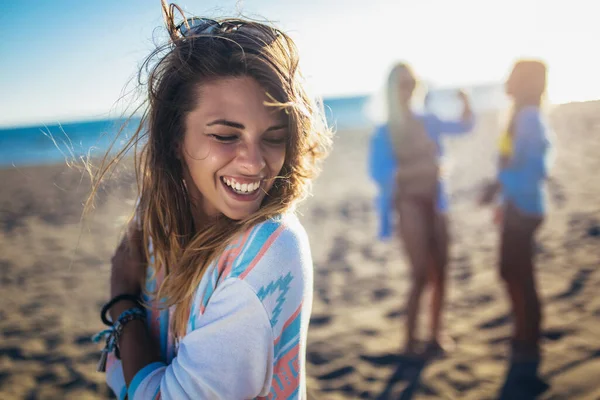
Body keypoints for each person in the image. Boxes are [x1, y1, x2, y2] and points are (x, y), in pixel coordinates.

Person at [89, 2, 332, 398]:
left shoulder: (269, 250)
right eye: (225, 135)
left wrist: (122, 302)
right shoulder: (159, 219)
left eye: (274, 136)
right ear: (174, 137)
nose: (254, 164)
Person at [369, 63, 475, 358]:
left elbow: (465, 126)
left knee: (442, 271)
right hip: (410, 205)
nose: (408, 89)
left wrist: (466, 101)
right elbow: (380, 175)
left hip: (436, 202)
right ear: (391, 89)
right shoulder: (385, 130)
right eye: (402, 84)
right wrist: (424, 167)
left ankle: (435, 334)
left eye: (412, 82)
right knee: (419, 275)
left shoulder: (428, 119)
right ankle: (408, 341)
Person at [480, 59, 552, 370]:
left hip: (525, 207)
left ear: (524, 82)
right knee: (512, 271)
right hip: (517, 205)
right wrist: (500, 195)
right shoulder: (519, 116)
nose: (506, 79)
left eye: (513, 74)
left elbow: (536, 170)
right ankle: (523, 333)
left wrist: (500, 185)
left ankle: (528, 338)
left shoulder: (529, 118)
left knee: (518, 273)